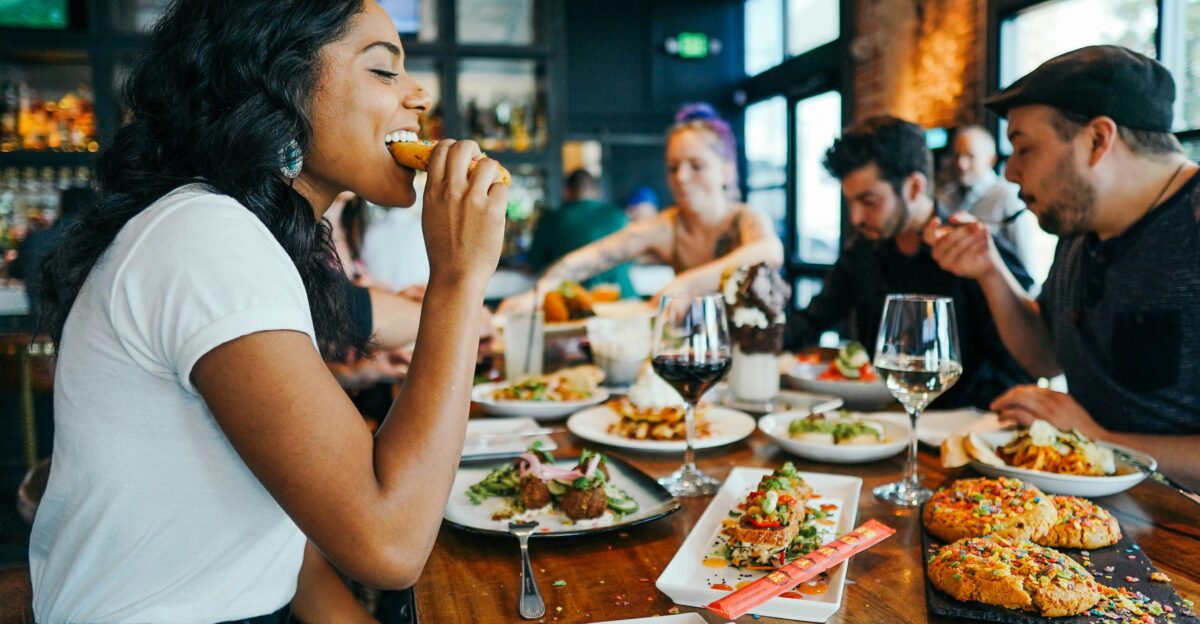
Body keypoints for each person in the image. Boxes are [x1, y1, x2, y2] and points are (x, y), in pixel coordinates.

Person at [29, 1, 507, 621]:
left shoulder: (246, 235)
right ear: (278, 87)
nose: (419, 96)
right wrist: (459, 279)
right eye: (384, 70)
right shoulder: (205, 238)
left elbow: (277, 541)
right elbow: (391, 544)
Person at [926, 45, 1200, 489]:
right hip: (1091, 504)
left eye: (1024, 148)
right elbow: (1045, 354)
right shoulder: (1081, 227)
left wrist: (1097, 439)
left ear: (1097, 140)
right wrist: (989, 270)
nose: (1010, 172)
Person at [786, 115, 1034, 409]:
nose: (855, 218)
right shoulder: (862, 253)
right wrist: (756, 332)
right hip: (877, 419)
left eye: (869, 202)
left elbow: (1021, 367)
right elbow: (812, 321)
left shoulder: (973, 251)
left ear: (915, 187)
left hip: (959, 426)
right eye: (850, 202)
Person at [499, 103, 783, 311]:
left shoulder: (745, 219)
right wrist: (539, 293)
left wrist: (686, 284)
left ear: (727, 171)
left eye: (696, 166)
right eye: (673, 167)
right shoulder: (667, 226)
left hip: (756, 357)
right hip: (699, 354)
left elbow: (769, 251)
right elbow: (592, 257)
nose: (681, 177)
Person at [938, 125, 1053, 285]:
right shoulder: (944, 196)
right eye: (957, 155)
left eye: (970, 156)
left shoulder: (1007, 197)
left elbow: (1025, 265)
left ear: (991, 160)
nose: (961, 164)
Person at [527, 168, 635, 296]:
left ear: (566, 192)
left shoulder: (552, 220)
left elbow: (531, 266)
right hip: (624, 298)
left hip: (575, 300)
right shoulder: (619, 215)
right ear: (597, 192)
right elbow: (632, 259)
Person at [7, 186, 94, 313]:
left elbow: (15, 271)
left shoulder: (35, 238)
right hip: (87, 319)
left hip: (40, 319)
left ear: (61, 208)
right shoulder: (99, 240)